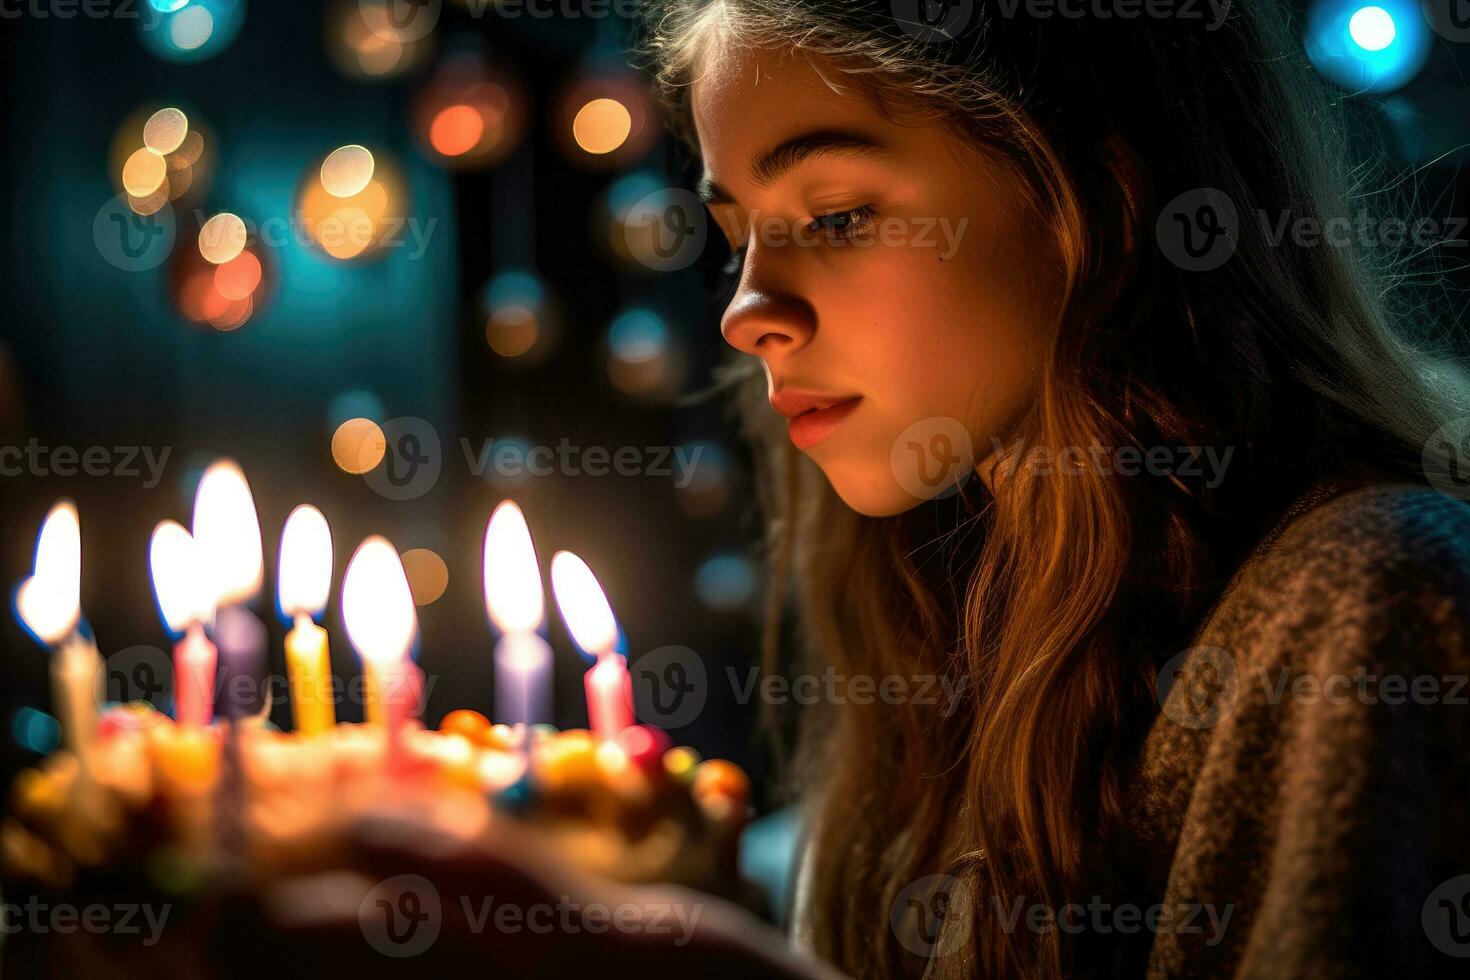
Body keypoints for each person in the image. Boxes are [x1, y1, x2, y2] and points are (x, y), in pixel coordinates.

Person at [267, 2, 1470, 976]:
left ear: (1095, 199)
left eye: (834, 214)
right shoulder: (951, 623)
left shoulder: (1368, 598)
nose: (745, 311)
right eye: (733, 232)